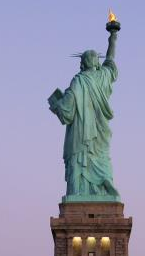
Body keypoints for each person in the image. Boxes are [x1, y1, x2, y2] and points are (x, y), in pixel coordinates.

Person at [48, 18, 120, 199]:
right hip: (97, 132)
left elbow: (66, 111)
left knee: (80, 158)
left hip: (81, 134)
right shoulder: (102, 76)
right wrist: (113, 37)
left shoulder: (78, 81)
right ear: (96, 63)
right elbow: (110, 59)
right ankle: (102, 185)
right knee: (100, 158)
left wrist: (56, 104)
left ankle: (79, 192)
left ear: (83, 63)